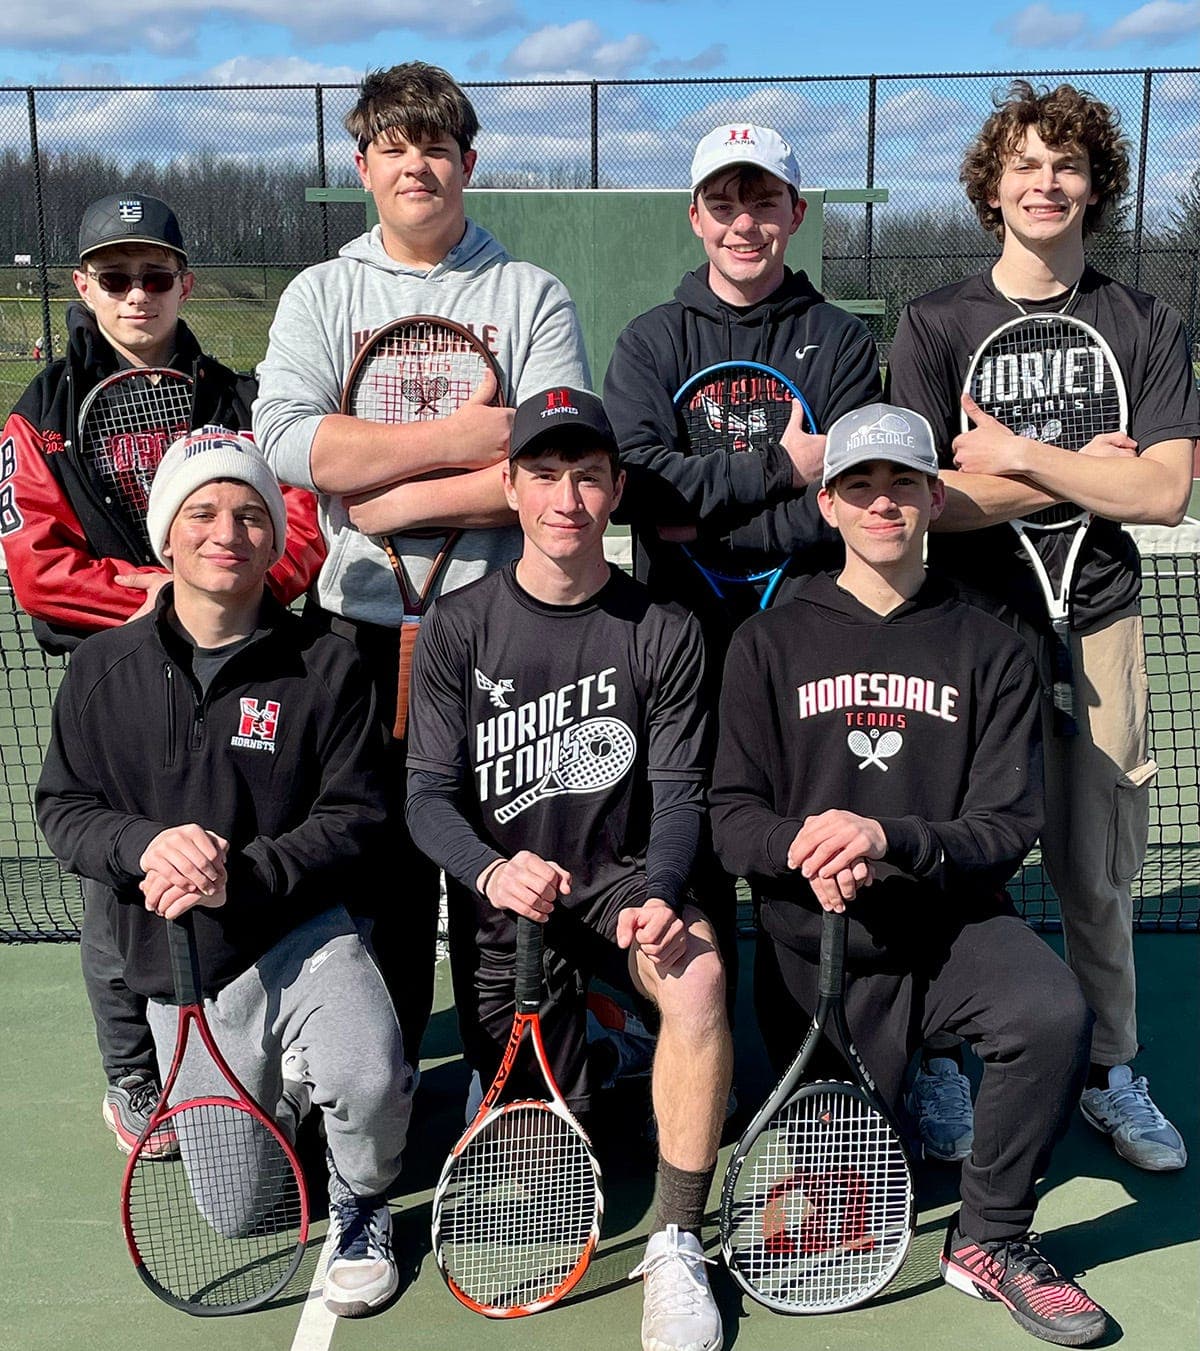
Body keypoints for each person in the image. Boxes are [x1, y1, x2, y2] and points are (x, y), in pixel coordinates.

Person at [711, 403, 1108, 1347]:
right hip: (821, 949)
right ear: (829, 504)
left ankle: (990, 1236)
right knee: (838, 1194)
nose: (881, 502)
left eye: (902, 483)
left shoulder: (993, 643)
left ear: (935, 497)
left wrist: (888, 837)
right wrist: (806, 851)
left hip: (949, 927)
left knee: (1050, 1012)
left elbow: (1007, 826)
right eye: (860, 485)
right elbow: (732, 819)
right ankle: (867, 1141)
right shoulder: (767, 643)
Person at [886, 80, 1196, 1171]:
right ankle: (938, 1057)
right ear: (992, 187)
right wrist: (1081, 471)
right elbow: (922, 499)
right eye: (1025, 164)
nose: (1046, 182)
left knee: (1098, 872)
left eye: (1067, 164)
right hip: (968, 633)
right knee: (951, 862)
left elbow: (1164, 493)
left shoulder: (1146, 322)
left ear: (1097, 186)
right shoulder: (934, 324)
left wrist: (1015, 455)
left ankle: (1112, 1070)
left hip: (1103, 623)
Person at [254, 62, 590, 1070]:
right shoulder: (323, 292)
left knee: (502, 875)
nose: (416, 167)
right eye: (393, 148)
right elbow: (289, 443)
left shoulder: (529, 294)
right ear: (362, 167)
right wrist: (457, 440)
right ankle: (386, 1092)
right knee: (380, 881)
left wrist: (390, 498)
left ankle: (512, 1089)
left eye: (436, 148)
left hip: (502, 633)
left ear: (467, 164)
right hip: (356, 634)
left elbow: (550, 472)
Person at [36, 431, 410, 1318]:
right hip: (187, 971)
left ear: (275, 538)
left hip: (303, 938)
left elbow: (357, 817)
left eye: (249, 515)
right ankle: (283, 1100)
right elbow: (64, 808)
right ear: (167, 536)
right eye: (201, 512)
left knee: (369, 1074)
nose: (226, 532)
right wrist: (143, 846)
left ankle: (363, 1199)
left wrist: (241, 875)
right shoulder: (99, 670)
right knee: (240, 1212)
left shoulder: (326, 664)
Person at [405, 388, 732, 1351]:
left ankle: (677, 1239)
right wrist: (489, 871)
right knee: (543, 1184)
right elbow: (426, 797)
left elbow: (681, 796)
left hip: (625, 882)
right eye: (544, 474)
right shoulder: (457, 626)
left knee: (700, 978)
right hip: (510, 909)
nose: (567, 498)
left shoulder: (663, 627)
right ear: (509, 486)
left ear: (617, 489)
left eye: (588, 476)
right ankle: (593, 1056)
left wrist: (663, 894)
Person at [0, 191, 324, 1156]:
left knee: (250, 849)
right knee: (120, 881)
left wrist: (226, 593)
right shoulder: (38, 414)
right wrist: (156, 597)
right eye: (116, 277)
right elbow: (38, 567)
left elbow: (302, 527)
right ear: (83, 286)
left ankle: (273, 1047)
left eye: (154, 275)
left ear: (184, 282)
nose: (136, 294)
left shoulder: (241, 398)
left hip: (247, 664)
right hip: (118, 678)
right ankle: (134, 1079)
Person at [602, 123, 885, 1064]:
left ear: (795, 213)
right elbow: (643, 494)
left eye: (763, 202)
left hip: (807, 647)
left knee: (805, 863)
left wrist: (706, 516)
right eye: (723, 204)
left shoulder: (840, 341)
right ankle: (702, 1066)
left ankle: (822, 1061)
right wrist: (778, 469)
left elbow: (843, 507)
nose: (743, 223)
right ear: (696, 217)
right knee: (687, 862)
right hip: (676, 650)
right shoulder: (652, 340)